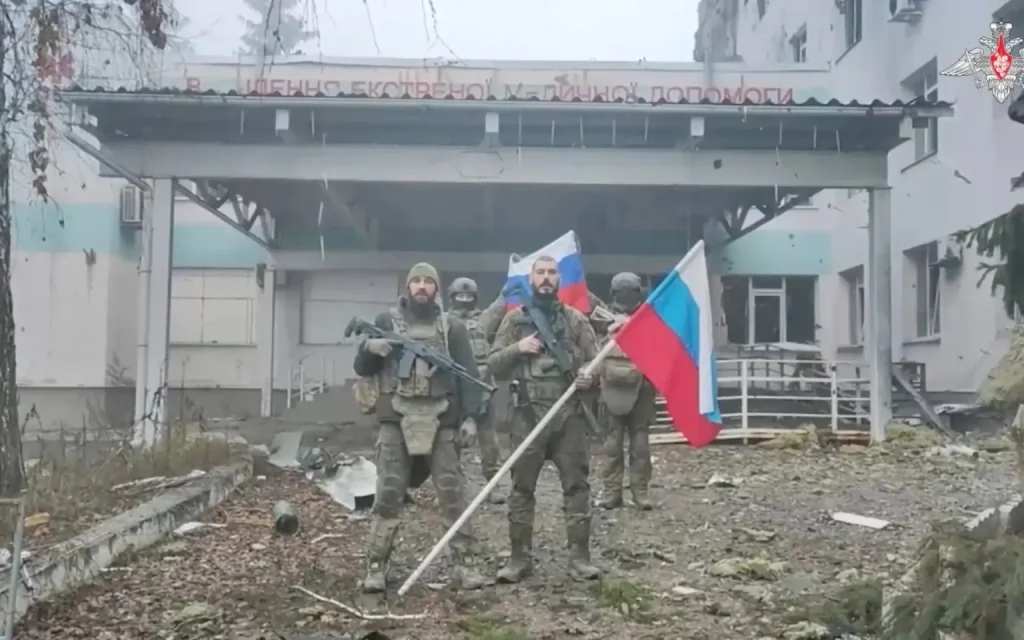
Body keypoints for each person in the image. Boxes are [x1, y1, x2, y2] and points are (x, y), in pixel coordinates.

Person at [352, 262, 491, 593]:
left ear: (437, 289)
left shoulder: (451, 327)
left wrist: (470, 416)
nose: (422, 287)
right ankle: (376, 565)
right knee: (388, 492)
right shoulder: (387, 322)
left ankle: (465, 563)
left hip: (442, 419)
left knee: (452, 492)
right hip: (395, 420)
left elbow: (468, 374)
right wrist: (369, 348)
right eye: (417, 281)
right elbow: (362, 367)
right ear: (407, 286)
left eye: (429, 281)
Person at [487, 255, 602, 583]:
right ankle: (519, 559)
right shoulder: (514, 322)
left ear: (559, 280)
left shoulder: (576, 321)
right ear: (531, 278)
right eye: (541, 272)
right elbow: (494, 364)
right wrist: (517, 349)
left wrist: (588, 378)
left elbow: (598, 363)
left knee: (577, 488)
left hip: (570, 419)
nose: (547, 278)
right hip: (527, 416)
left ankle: (580, 559)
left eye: (552, 273)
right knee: (521, 489)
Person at [594, 272, 657, 511]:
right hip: (610, 385)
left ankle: (636, 491)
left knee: (635, 443)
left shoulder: (648, 318)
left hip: (640, 387)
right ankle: (617, 492)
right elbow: (591, 346)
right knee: (615, 444)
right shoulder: (601, 318)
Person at [448, 276, 508, 504]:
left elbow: (500, 306)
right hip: (454, 392)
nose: (464, 300)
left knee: (489, 444)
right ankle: (454, 488)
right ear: (452, 298)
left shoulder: (483, 320)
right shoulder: (444, 323)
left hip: (482, 389)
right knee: (451, 444)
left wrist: (512, 283)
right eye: (460, 296)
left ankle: (493, 487)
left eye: (469, 297)